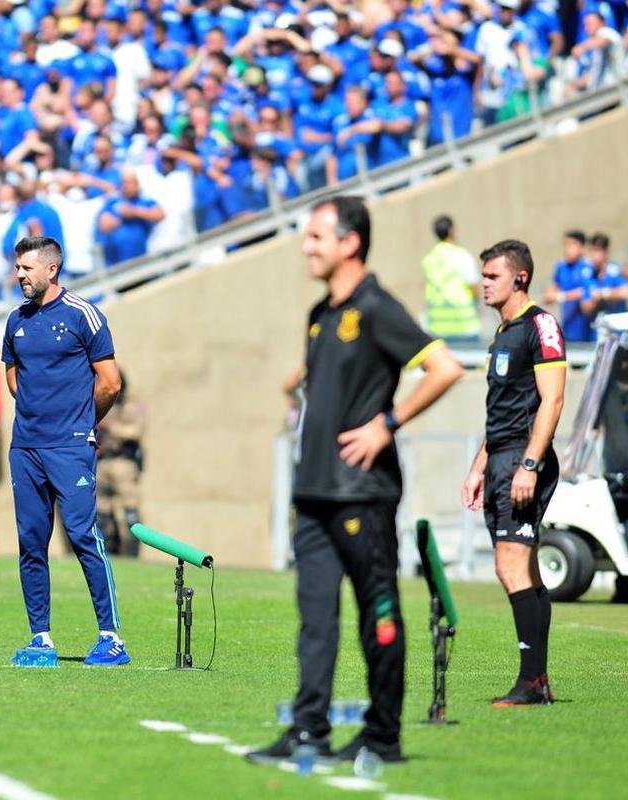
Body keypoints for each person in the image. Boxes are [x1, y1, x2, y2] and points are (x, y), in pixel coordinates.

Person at [250, 196, 462, 765]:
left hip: (362, 493)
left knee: (378, 612)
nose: (306, 246)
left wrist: (386, 424)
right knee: (316, 620)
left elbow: (445, 369)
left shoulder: (376, 306)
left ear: (350, 242)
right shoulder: (319, 314)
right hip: (314, 493)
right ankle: (309, 730)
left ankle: (383, 735)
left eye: (316, 236)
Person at [1, 235, 129, 666]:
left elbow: (110, 382)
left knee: (82, 535)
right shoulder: (15, 320)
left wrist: (81, 423)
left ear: (51, 269)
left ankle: (111, 638)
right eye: (18, 268)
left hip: (70, 446)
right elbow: (14, 379)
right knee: (31, 541)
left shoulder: (82, 314)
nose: (19, 275)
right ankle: (40, 637)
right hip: (25, 447)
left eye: (26, 268)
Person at [461, 239, 566, 706]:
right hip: (501, 461)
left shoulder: (541, 325)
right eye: (483, 275)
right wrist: (478, 467)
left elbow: (553, 400)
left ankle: (531, 682)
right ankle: (537, 681)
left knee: (509, 566)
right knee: (523, 570)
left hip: (524, 462)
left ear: (520, 278)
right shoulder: (503, 333)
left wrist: (529, 464)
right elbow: (501, 413)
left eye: (492, 276)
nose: (483, 284)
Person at [598, 346, 628, 604]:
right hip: (613, 470)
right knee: (618, 529)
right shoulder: (605, 394)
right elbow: (592, 429)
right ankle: (622, 588)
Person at [96, 368, 145, 556]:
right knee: (102, 512)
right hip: (102, 462)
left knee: (130, 512)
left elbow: (136, 431)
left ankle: (132, 556)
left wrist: (112, 427)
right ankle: (109, 554)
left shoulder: (131, 405)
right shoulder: (101, 401)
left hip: (123, 462)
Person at [421, 214, 481, 343]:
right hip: (464, 327)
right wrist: (477, 305)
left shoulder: (429, 258)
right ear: (452, 230)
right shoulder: (461, 255)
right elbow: (474, 286)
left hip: (437, 329)